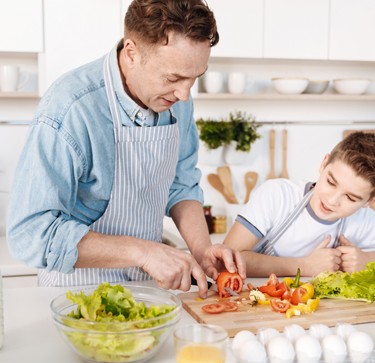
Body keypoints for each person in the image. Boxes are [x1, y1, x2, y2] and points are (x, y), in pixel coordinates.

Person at [6, 0, 245, 297]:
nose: (185, 94)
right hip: (76, 296)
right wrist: (143, 253)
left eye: (195, 78)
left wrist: (202, 249)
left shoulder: (175, 100)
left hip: (147, 291)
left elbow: (181, 184)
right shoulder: (70, 109)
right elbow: (31, 234)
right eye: (174, 78)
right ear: (131, 53)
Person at [224, 131, 375, 277]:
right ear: (324, 163)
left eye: (351, 198)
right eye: (331, 182)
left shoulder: (365, 219)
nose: (332, 200)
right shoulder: (277, 194)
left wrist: (366, 260)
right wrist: (305, 266)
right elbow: (226, 259)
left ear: (369, 201)